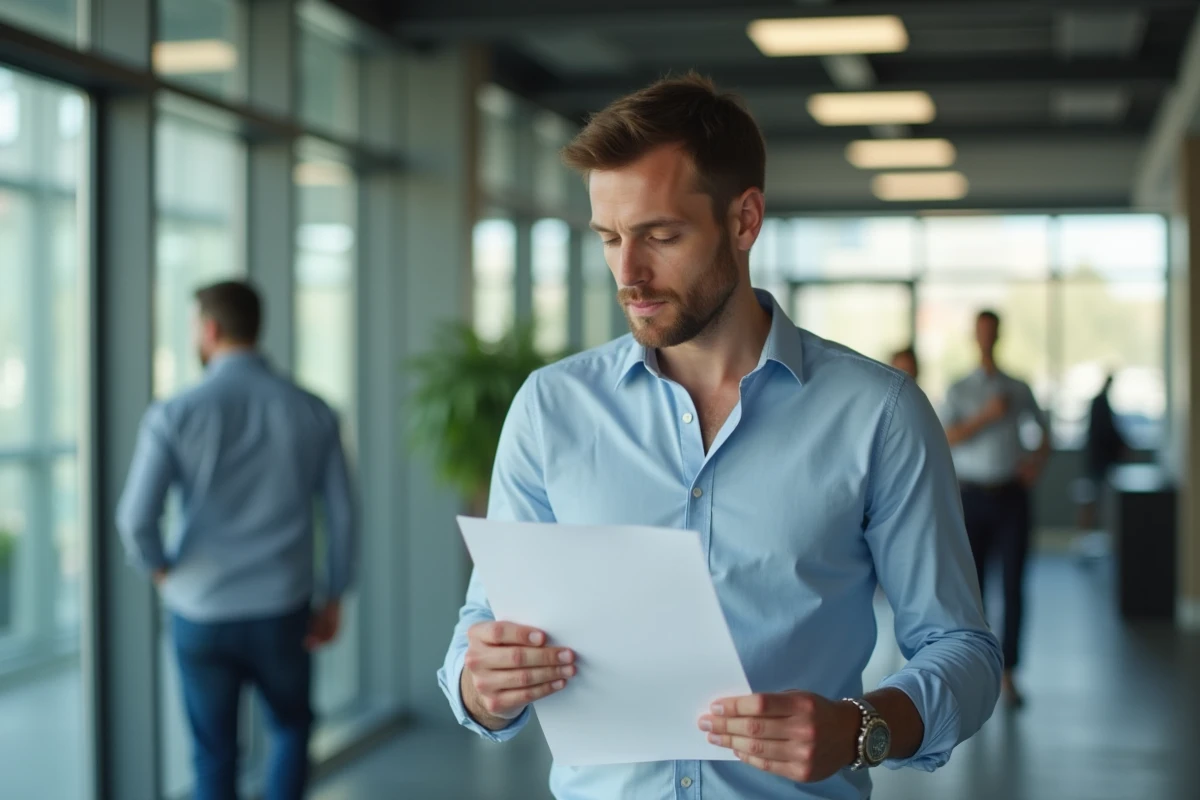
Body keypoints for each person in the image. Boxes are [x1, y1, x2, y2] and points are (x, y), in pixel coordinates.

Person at [438, 74, 1001, 800]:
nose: (628, 273)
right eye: (609, 238)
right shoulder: (551, 410)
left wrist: (862, 726)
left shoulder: (878, 415)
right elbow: (483, 627)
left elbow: (963, 649)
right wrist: (482, 685)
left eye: (660, 236)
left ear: (744, 220)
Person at [117, 281, 356, 800]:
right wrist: (336, 593)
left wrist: (161, 570)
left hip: (200, 609)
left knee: (214, 753)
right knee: (291, 729)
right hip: (283, 607)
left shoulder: (173, 413)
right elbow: (341, 514)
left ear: (209, 329)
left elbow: (135, 519)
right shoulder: (314, 410)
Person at [941, 309, 1049, 709]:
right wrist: (986, 416)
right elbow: (947, 436)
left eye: (992, 331)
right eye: (981, 331)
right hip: (972, 497)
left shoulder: (1018, 386)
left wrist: (1036, 463)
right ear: (974, 336)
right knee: (974, 589)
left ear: (999, 335)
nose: (986, 337)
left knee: (1014, 585)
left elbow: (1045, 433)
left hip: (1011, 496)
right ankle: (977, 671)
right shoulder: (959, 389)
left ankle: (1009, 674)